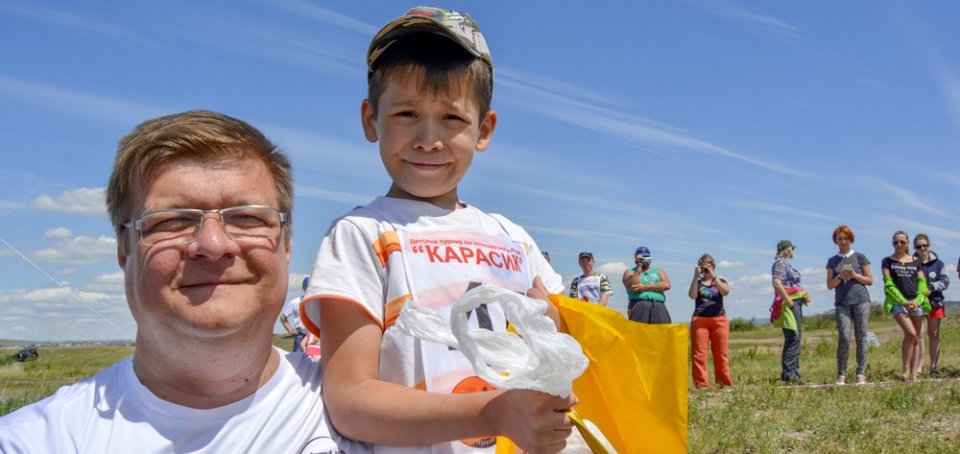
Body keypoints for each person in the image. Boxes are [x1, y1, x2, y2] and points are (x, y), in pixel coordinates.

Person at [0, 111, 360, 453]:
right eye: (171, 221)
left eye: (247, 217)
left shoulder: (379, 415)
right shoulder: (34, 441)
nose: (214, 244)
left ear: (286, 245)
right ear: (124, 251)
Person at [301, 7, 574, 454]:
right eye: (406, 113)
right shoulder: (362, 235)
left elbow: (557, 348)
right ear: (371, 119)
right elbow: (349, 401)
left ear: (484, 130)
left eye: (452, 119)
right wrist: (492, 413)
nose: (429, 139)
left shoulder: (512, 238)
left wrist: (553, 324)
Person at [825, 226, 874, 386]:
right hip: (842, 304)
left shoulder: (860, 257)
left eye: (846, 238)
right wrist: (841, 276)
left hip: (861, 301)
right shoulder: (832, 261)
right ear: (836, 241)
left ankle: (861, 373)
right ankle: (841, 374)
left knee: (861, 336)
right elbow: (830, 285)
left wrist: (855, 275)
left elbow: (870, 280)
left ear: (850, 239)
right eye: (840, 238)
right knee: (844, 337)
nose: (843, 241)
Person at [882, 231, 929, 382]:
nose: (899, 245)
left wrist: (917, 300)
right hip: (898, 302)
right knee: (910, 333)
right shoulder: (887, 261)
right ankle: (905, 370)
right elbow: (888, 284)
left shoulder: (916, 261)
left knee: (917, 337)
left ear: (908, 243)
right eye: (896, 242)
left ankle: (914, 374)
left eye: (902, 242)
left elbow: (922, 284)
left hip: (916, 302)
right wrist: (903, 302)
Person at [686, 253, 732, 389]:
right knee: (699, 354)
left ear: (713, 266)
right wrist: (695, 276)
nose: (706, 268)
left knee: (721, 353)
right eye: (703, 266)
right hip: (700, 319)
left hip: (719, 319)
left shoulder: (720, 280)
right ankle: (702, 384)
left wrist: (713, 276)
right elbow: (692, 295)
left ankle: (724, 383)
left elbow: (725, 291)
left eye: (709, 265)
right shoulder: (698, 283)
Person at [771, 240, 807, 383]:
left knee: (795, 337)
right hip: (789, 303)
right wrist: (789, 301)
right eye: (792, 248)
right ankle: (789, 374)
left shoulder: (785, 264)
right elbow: (777, 282)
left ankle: (794, 373)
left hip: (793, 302)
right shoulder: (781, 263)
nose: (793, 251)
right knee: (793, 337)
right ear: (787, 250)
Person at [914, 233, 949, 376]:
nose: (922, 248)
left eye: (925, 245)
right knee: (919, 334)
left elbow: (945, 281)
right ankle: (919, 367)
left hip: (935, 301)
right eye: (919, 246)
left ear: (929, 246)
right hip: (918, 302)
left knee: (933, 334)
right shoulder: (911, 263)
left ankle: (933, 367)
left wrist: (932, 287)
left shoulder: (939, 264)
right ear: (915, 248)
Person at [623, 246, 672, 323]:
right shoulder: (630, 272)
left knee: (663, 331)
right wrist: (639, 267)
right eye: (642, 257)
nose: (644, 260)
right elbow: (633, 285)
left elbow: (667, 285)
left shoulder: (658, 271)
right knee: (639, 332)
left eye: (646, 257)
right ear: (635, 258)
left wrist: (645, 287)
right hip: (639, 305)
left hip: (659, 306)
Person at [281, 276, 309, 352]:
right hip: (300, 335)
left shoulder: (319, 302)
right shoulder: (295, 302)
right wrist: (290, 330)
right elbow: (283, 317)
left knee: (316, 360)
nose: (309, 289)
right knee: (297, 360)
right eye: (307, 286)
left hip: (315, 336)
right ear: (303, 287)